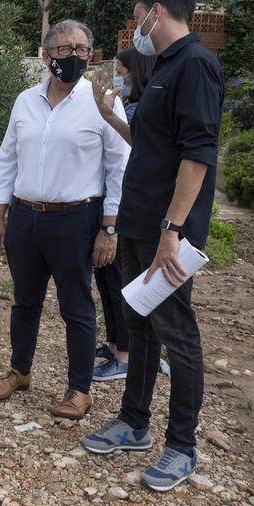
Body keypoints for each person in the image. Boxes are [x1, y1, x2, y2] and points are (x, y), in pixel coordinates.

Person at [80, 0, 225, 493]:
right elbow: (151, 140)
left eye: (138, 15)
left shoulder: (197, 65)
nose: (136, 27)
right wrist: (109, 117)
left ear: (156, 12)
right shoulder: (162, 67)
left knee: (176, 334)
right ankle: (133, 423)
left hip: (167, 230)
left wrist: (172, 229)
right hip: (140, 223)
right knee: (138, 324)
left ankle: (182, 446)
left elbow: (198, 155)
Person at [0, 20, 130, 421]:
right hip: (26, 217)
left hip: (76, 219)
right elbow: (7, 157)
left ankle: (79, 390)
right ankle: (20, 371)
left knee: (77, 307)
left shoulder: (102, 103)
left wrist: (109, 228)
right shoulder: (25, 101)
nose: (74, 56)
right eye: (65, 49)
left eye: (82, 49)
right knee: (25, 301)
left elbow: (119, 167)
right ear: (46, 56)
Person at [92, 47, 157, 383]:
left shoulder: (142, 105)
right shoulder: (126, 101)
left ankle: (125, 355)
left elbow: (128, 157)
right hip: (112, 199)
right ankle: (115, 341)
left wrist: (112, 222)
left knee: (119, 279)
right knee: (105, 277)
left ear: (137, 70)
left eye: (121, 69)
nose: (118, 75)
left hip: (128, 204)